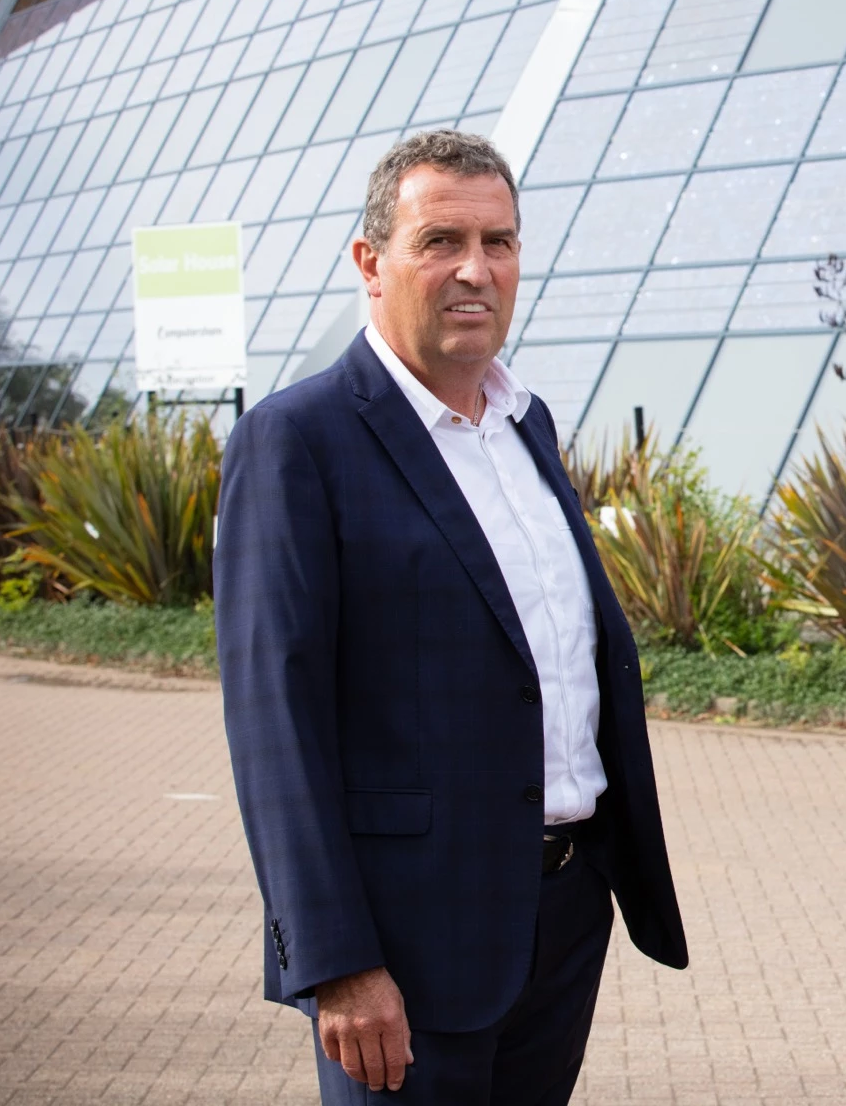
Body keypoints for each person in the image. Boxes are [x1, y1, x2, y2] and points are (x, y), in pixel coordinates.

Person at [216, 130, 687, 1104]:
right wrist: (334, 959)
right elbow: (276, 722)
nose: (476, 269)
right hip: (404, 947)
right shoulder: (296, 442)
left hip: (560, 915)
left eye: (500, 241)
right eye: (440, 241)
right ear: (370, 261)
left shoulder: (529, 425)